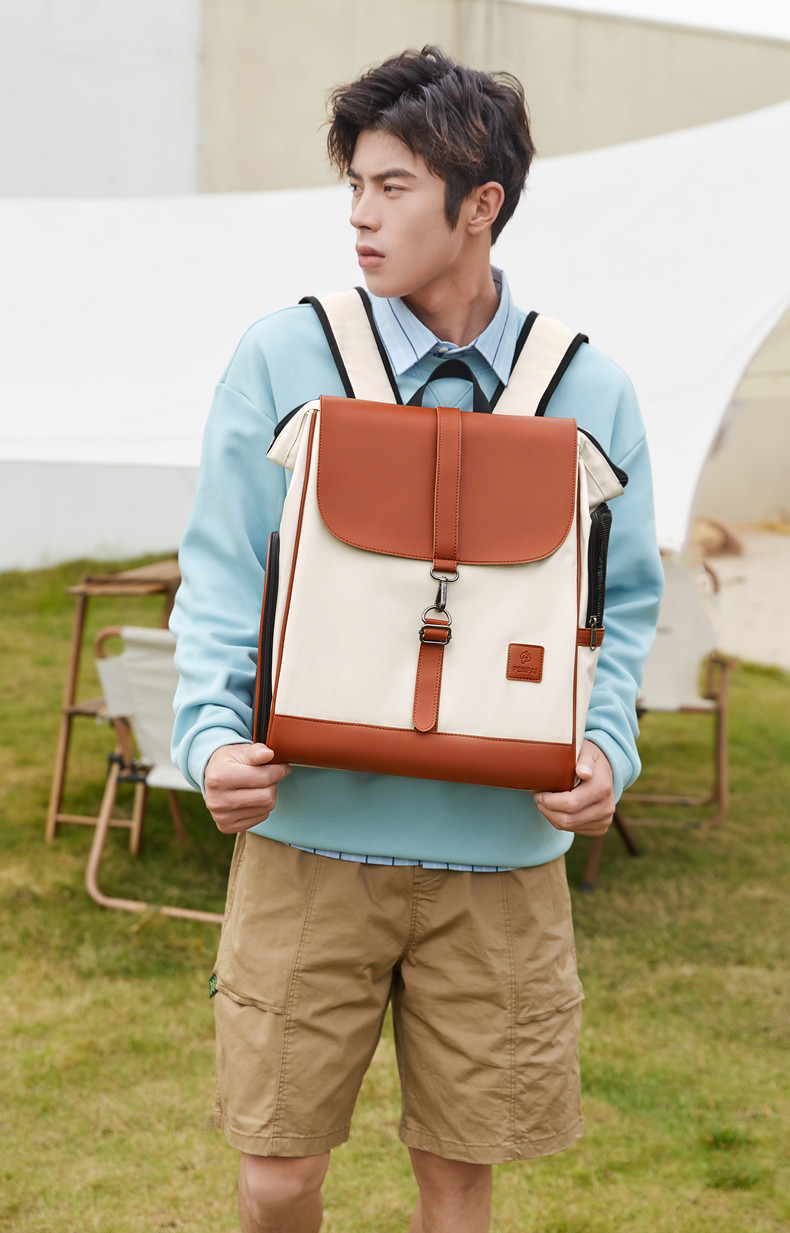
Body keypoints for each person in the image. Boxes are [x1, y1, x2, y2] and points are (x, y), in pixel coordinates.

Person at [171, 45, 663, 1233]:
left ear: (479, 204)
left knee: (459, 1178)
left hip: (500, 856)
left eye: (392, 187)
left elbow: (621, 605)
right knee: (277, 1175)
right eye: (355, 185)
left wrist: (606, 751)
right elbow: (224, 570)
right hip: (308, 840)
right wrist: (207, 738)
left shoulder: (586, 387)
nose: (360, 215)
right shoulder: (283, 357)